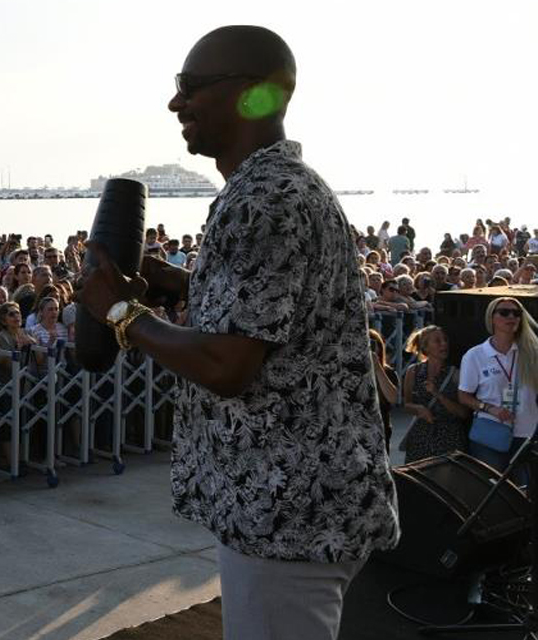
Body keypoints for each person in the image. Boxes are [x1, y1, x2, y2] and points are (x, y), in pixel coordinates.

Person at [79, 26, 397, 640]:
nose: (177, 104)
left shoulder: (267, 198)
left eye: (189, 87)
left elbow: (230, 363)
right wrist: (174, 281)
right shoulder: (276, 188)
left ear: (251, 95)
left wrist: (122, 314)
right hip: (298, 502)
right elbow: (266, 315)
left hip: (288, 511)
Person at [458, 297, 538, 479]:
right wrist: (490, 409)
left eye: (517, 313)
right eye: (504, 312)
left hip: (527, 434)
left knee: (525, 495)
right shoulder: (475, 355)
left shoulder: (532, 352)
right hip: (491, 432)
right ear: (492, 318)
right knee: (492, 492)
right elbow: (463, 396)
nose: (511, 317)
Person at [400, 326, 469, 461]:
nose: (444, 344)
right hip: (420, 440)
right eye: (437, 341)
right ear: (425, 348)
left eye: (445, 340)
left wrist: (438, 395)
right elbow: (406, 404)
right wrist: (418, 409)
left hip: (449, 440)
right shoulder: (413, 371)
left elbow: (463, 413)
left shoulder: (456, 374)